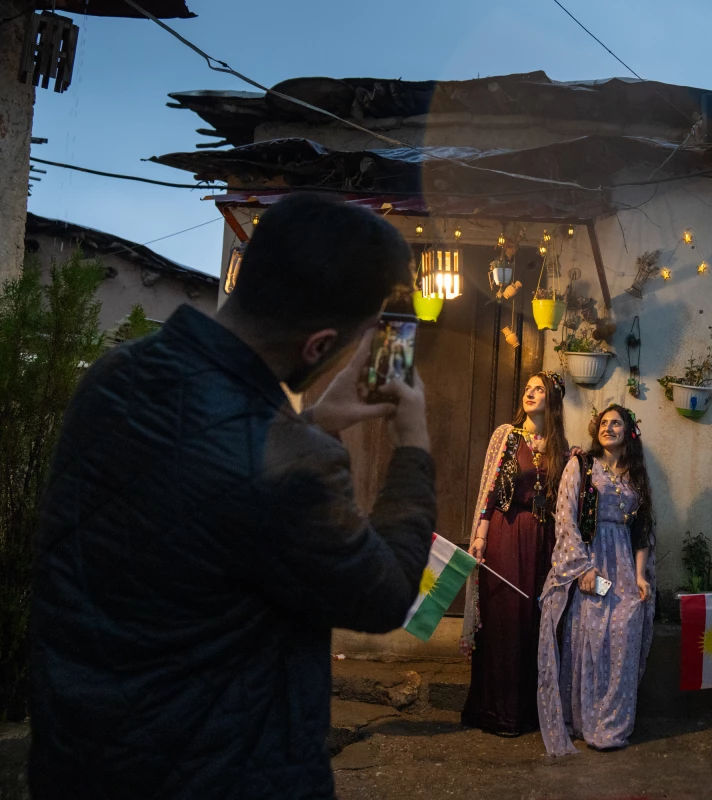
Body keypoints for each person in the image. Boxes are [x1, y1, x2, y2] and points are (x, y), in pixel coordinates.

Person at [29, 193, 437, 799]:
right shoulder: (296, 466)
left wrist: (314, 421)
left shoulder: (113, 377)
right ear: (318, 347)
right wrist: (413, 445)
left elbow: (209, 499)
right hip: (219, 774)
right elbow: (387, 594)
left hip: (81, 762)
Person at [537, 404, 655, 756]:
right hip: (591, 564)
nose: (608, 427)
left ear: (628, 432)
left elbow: (643, 529)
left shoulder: (636, 476)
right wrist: (583, 569)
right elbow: (565, 518)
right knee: (589, 629)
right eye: (603, 423)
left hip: (623, 566)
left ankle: (613, 723)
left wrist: (639, 576)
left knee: (625, 625)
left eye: (616, 423)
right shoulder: (582, 466)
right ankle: (585, 720)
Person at [460, 371, 570, 735]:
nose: (530, 394)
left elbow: (564, 497)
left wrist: (575, 460)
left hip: (542, 541)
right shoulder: (506, 436)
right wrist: (479, 535)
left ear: (552, 400)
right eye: (527, 389)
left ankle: (526, 712)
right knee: (504, 619)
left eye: (539, 390)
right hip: (507, 535)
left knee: (533, 622)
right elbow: (490, 490)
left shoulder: (560, 446)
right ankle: (495, 712)